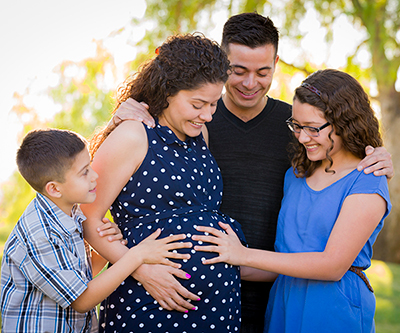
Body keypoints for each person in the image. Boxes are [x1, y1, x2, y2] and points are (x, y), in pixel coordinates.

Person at [111, 12, 394, 332]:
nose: (249, 83)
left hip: (275, 292)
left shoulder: (298, 126)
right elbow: (135, 165)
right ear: (221, 64)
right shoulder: (194, 119)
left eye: (262, 72)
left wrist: (376, 154)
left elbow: (342, 162)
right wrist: (119, 119)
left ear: (276, 62)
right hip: (202, 294)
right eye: (238, 70)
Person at [192, 69, 392, 332]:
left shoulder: (368, 179)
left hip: (332, 308)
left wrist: (243, 254)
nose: (302, 137)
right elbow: (282, 262)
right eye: (296, 126)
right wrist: (215, 260)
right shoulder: (296, 175)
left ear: (345, 123)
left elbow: (332, 265)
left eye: (312, 128)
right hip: (283, 303)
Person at [81, 33, 246, 332]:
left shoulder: (200, 137)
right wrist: (141, 270)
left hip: (215, 305)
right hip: (148, 299)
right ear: (168, 91)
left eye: (213, 104)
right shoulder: (133, 135)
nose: (207, 115)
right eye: (198, 104)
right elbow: (87, 218)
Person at [0, 128, 192, 333]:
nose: (95, 176)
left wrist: (103, 252)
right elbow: (81, 299)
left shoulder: (68, 212)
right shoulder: (39, 233)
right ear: (54, 189)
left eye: (90, 165)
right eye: (84, 172)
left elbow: (78, 276)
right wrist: (136, 256)